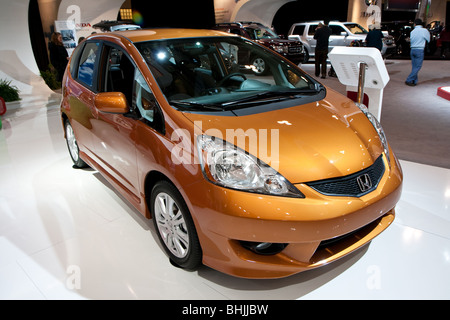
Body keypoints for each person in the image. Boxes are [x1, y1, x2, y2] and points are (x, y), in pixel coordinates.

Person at [405, 19, 430, 86]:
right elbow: (428, 40)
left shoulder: (412, 31)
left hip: (412, 50)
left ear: (415, 24)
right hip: (420, 49)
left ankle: (414, 81)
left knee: (414, 66)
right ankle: (409, 79)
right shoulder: (424, 31)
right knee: (418, 66)